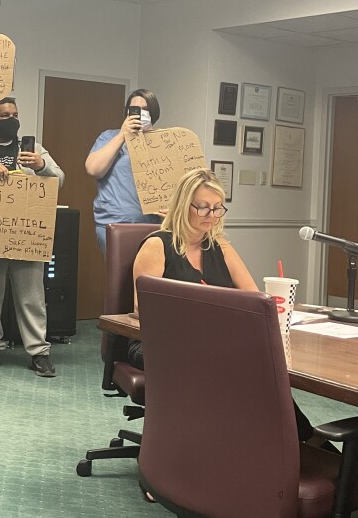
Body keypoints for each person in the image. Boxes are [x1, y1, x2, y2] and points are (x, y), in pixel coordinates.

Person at [131, 168, 319, 444]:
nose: (212, 215)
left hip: (214, 341)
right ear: (184, 206)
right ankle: (287, 442)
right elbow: (141, 309)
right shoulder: (158, 245)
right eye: (204, 207)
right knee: (243, 369)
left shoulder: (219, 246)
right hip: (158, 343)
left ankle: (295, 442)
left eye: (218, 208)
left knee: (258, 368)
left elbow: (254, 299)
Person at [0, 98, 65, 377]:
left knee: (32, 296)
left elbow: (60, 179)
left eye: (15, 115)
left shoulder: (33, 148)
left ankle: (39, 352)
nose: (12, 119)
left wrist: (41, 165)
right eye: (5, 115)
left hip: (26, 233)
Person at [85, 88, 162, 257]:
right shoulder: (109, 137)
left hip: (153, 226)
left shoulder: (163, 142)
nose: (139, 114)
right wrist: (122, 135)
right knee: (119, 280)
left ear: (153, 114)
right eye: (134, 109)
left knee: (147, 280)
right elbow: (93, 169)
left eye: (145, 110)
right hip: (114, 224)